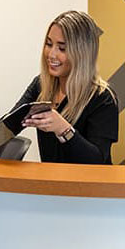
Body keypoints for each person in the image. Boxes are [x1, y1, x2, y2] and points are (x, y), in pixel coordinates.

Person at [9, 10, 118, 164]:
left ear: (82, 53)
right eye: (49, 44)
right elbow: (8, 126)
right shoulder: (41, 85)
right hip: (53, 184)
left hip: (89, 186)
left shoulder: (103, 98)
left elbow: (97, 161)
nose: (51, 54)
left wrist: (63, 129)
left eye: (62, 48)